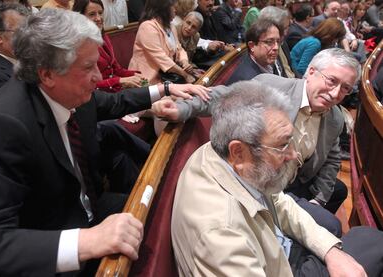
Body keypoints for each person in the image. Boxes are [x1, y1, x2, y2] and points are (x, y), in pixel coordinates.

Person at [0, 8, 210, 276]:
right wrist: (86, 241)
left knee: (167, 214)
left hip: (91, 208)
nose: (99, 77)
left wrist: (164, 90)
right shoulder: (0, 125)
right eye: (87, 67)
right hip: (52, 244)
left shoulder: (71, 92)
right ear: (47, 74)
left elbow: (114, 101)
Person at [171, 80, 383, 277]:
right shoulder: (220, 236)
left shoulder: (222, 152)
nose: (293, 154)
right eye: (282, 145)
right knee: (374, 242)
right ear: (238, 152)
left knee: (341, 231)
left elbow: (278, 201)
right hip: (281, 267)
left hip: (275, 249)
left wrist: (330, 251)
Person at [154, 48, 359, 236]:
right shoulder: (273, 86)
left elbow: (331, 159)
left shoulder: (335, 118)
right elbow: (223, 97)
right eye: (332, 81)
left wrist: (319, 199)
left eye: (345, 89)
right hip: (265, 183)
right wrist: (183, 109)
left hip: (297, 181)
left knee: (337, 191)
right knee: (332, 226)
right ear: (311, 71)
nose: (335, 94)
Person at [72, 0, 146, 92]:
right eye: (92, 14)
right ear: (80, 17)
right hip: (99, 97)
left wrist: (136, 75)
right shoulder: (78, 45)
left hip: (116, 91)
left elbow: (117, 70)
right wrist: (119, 81)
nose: (98, 18)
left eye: (100, 13)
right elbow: (88, 85)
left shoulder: (103, 36)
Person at [129, 0, 196, 84]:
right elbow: (162, 58)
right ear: (164, 9)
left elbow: (179, 49)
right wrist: (184, 74)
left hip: (167, 77)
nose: (175, 10)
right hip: (146, 79)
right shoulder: (147, 27)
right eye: (173, 8)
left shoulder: (171, 27)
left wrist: (185, 62)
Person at [226, 19, 285, 85]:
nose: (276, 47)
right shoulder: (248, 82)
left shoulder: (267, 60)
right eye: (269, 42)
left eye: (278, 41)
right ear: (252, 46)